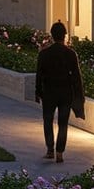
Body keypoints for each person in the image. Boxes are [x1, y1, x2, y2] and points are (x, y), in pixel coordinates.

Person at [34, 20, 84, 163]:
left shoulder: (44, 54)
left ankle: (50, 150)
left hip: (49, 92)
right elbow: (76, 77)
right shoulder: (71, 54)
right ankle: (60, 152)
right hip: (65, 93)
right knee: (63, 123)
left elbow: (39, 74)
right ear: (65, 35)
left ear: (52, 35)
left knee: (48, 120)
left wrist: (37, 92)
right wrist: (79, 95)